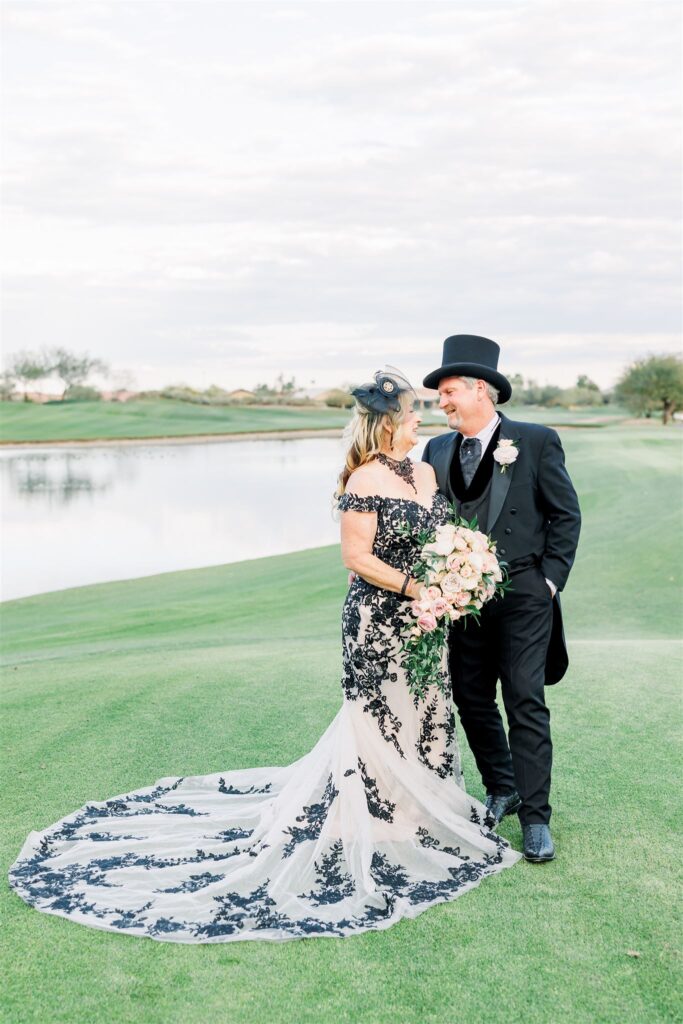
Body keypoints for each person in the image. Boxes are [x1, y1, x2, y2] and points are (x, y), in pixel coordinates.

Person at [8, 366, 519, 944]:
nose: (419, 418)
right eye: (410, 413)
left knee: (425, 707)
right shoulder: (363, 479)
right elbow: (357, 558)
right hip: (377, 620)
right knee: (379, 715)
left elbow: (436, 540)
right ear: (388, 423)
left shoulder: (426, 472)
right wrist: (415, 588)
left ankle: (419, 813)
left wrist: (454, 572)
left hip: (424, 622)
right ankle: (376, 818)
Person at [422, 335, 581, 863]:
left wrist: (549, 581)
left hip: (523, 597)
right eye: (439, 394)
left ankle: (536, 818)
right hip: (462, 601)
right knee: (469, 696)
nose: (441, 402)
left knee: (524, 700)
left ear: (482, 390)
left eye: (448, 392)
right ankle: (502, 784)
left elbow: (565, 514)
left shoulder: (534, 440)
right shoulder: (437, 450)